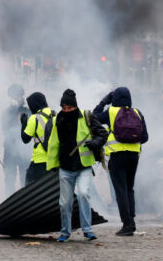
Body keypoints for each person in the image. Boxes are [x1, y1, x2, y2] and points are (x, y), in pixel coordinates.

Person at [46, 89, 107, 242]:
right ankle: (65, 232)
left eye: (69, 108)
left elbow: (103, 133)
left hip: (83, 166)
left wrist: (95, 143)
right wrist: (52, 164)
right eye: (64, 108)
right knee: (64, 203)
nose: (66, 111)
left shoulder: (87, 116)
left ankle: (87, 230)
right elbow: (53, 144)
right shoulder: (56, 120)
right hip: (65, 167)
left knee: (83, 194)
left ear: (75, 106)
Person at [93, 86, 148, 236]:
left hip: (117, 156)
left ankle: (127, 224)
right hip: (133, 156)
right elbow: (145, 137)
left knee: (120, 191)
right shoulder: (137, 113)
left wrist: (104, 101)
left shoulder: (111, 112)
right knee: (129, 189)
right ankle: (132, 220)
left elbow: (93, 117)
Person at [1, 84, 30, 196]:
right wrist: (13, 111)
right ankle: (9, 203)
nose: (17, 98)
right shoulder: (6, 113)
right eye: (14, 96)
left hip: (25, 151)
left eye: (19, 95)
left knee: (25, 181)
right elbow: (5, 129)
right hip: (10, 151)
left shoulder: (27, 112)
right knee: (9, 180)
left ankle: (25, 203)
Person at [21, 92, 54, 186]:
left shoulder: (34, 118)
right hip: (54, 160)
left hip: (39, 161)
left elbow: (25, 139)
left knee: (29, 188)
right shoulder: (55, 115)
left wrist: (23, 123)